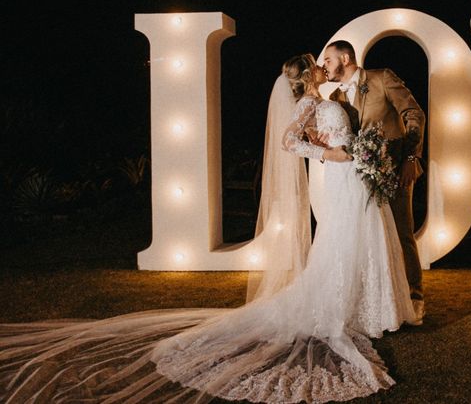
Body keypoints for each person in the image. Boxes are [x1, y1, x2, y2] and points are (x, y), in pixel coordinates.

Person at [0, 54, 417, 403]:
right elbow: (291, 142)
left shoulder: (329, 96)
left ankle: (371, 306)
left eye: (326, 59)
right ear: (308, 73)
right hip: (342, 174)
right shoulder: (309, 103)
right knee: (339, 243)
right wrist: (329, 155)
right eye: (317, 63)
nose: (324, 64)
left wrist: (359, 154)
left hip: (355, 180)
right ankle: (344, 306)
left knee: (360, 240)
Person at [321, 40, 426, 323]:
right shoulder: (334, 100)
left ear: (345, 58)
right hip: (357, 178)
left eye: (328, 60)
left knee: (402, 231)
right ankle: (380, 299)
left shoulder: (382, 78)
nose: (324, 66)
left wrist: (411, 159)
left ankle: (414, 295)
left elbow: (414, 114)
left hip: (395, 168)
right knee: (371, 238)